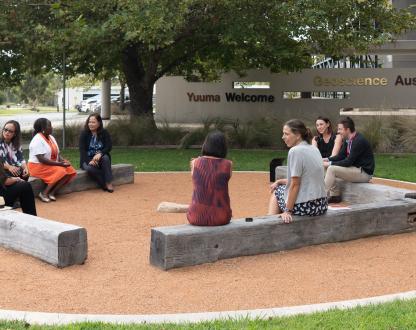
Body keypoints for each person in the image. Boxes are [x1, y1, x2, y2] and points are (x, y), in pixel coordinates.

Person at [268, 119, 328, 223]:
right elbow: (305, 180)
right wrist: (279, 181)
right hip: (321, 205)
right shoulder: (314, 149)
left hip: (305, 207)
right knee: (281, 187)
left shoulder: (295, 151)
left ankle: (269, 222)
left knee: (277, 192)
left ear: (298, 135)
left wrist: (288, 211)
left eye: (286, 134)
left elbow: (295, 184)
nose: (283, 137)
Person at [323, 116, 375, 203]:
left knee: (331, 169)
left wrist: (330, 163)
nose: (338, 132)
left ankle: (319, 197)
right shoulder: (348, 140)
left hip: (364, 173)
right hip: (355, 169)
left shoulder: (358, 140)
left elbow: (348, 162)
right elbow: (341, 156)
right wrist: (327, 159)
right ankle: (334, 196)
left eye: (340, 129)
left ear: (347, 129)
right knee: (326, 166)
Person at [186, 131, 232, 226]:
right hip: (222, 217)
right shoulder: (228, 164)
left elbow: (196, 180)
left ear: (206, 144)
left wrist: (197, 161)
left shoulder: (195, 162)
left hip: (195, 217)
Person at [28, 118, 77, 202]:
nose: (52, 127)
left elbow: (57, 153)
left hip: (50, 163)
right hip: (37, 166)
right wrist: (60, 164)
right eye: (49, 126)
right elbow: (41, 159)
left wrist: (62, 161)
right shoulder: (37, 139)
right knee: (61, 171)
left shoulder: (51, 137)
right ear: (43, 128)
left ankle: (52, 192)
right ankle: (44, 193)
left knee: (70, 170)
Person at [79, 113, 114, 192]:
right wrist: (89, 161)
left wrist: (100, 153)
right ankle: (104, 183)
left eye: (93, 122)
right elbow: (82, 150)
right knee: (89, 168)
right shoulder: (84, 134)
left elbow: (109, 147)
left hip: (100, 158)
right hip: (87, 159)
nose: (90, 124)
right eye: (89, 122)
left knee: (105, 158)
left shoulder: (104, 132)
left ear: (99, 123)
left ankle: (109, 183)